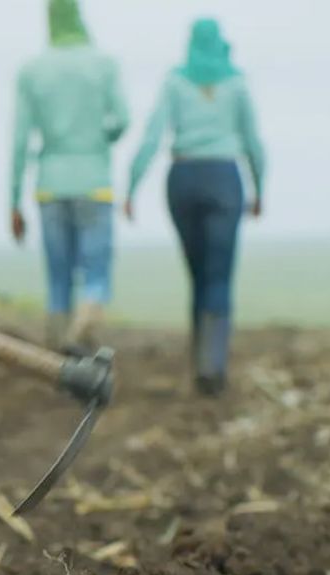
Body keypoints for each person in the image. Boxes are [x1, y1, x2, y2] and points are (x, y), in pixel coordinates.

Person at [126, 17, 265, 396]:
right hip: (224, 179)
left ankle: (199, 362)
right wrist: (259, 188)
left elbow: (153, 135)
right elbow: (253, 141)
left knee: (198, 275)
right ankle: (212, 365)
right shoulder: (236, 83)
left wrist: (132, 185)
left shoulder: (175, 81)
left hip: (183, 177)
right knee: (219, 276)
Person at [10, 0, 129, 352]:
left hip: (50, 183)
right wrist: (98, 139)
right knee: (96, 270)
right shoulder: (103, 64)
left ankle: (57, 352)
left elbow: (20, 140)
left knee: (58, 277)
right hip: (94, 181)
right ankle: (84, 328)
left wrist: (13, 201)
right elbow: (122, 119)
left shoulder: (32, 70)